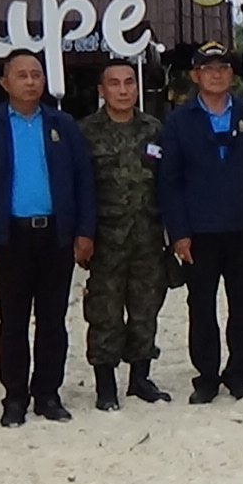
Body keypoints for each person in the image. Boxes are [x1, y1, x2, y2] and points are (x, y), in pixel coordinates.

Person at [0, 49, 96, 427]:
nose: (31, 82)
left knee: (53, 319)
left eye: (36, 74)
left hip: (55, 235)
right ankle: (15, 397)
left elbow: (84, 180)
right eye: (22, 75)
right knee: (13, 320)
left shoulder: (63, 125)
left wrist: (84, 230)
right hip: (9, 237)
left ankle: (48, 394)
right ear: (5, 82)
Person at [159, 42, 243, 404]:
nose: (216, 74)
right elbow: (169, 181)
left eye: (223, 68)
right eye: (208, 68)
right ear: (195, 75)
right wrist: (178, 233)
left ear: (232, 74)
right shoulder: (178, 121)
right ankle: (206, 377)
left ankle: (239, 375)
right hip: (199, 232)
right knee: (201, 306)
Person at [79, 59, 182, 409]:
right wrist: (82, 235)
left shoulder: (154, 129)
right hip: (105, 240)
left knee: (145, 310)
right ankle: (105, 386)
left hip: (148, 238)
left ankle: (140, 379)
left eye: (129, 82)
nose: (123, 90)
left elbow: (167, 182)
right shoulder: (85, 132)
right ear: (101, 90)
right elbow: (79, 187)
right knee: (104, 313)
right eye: (114, 83)